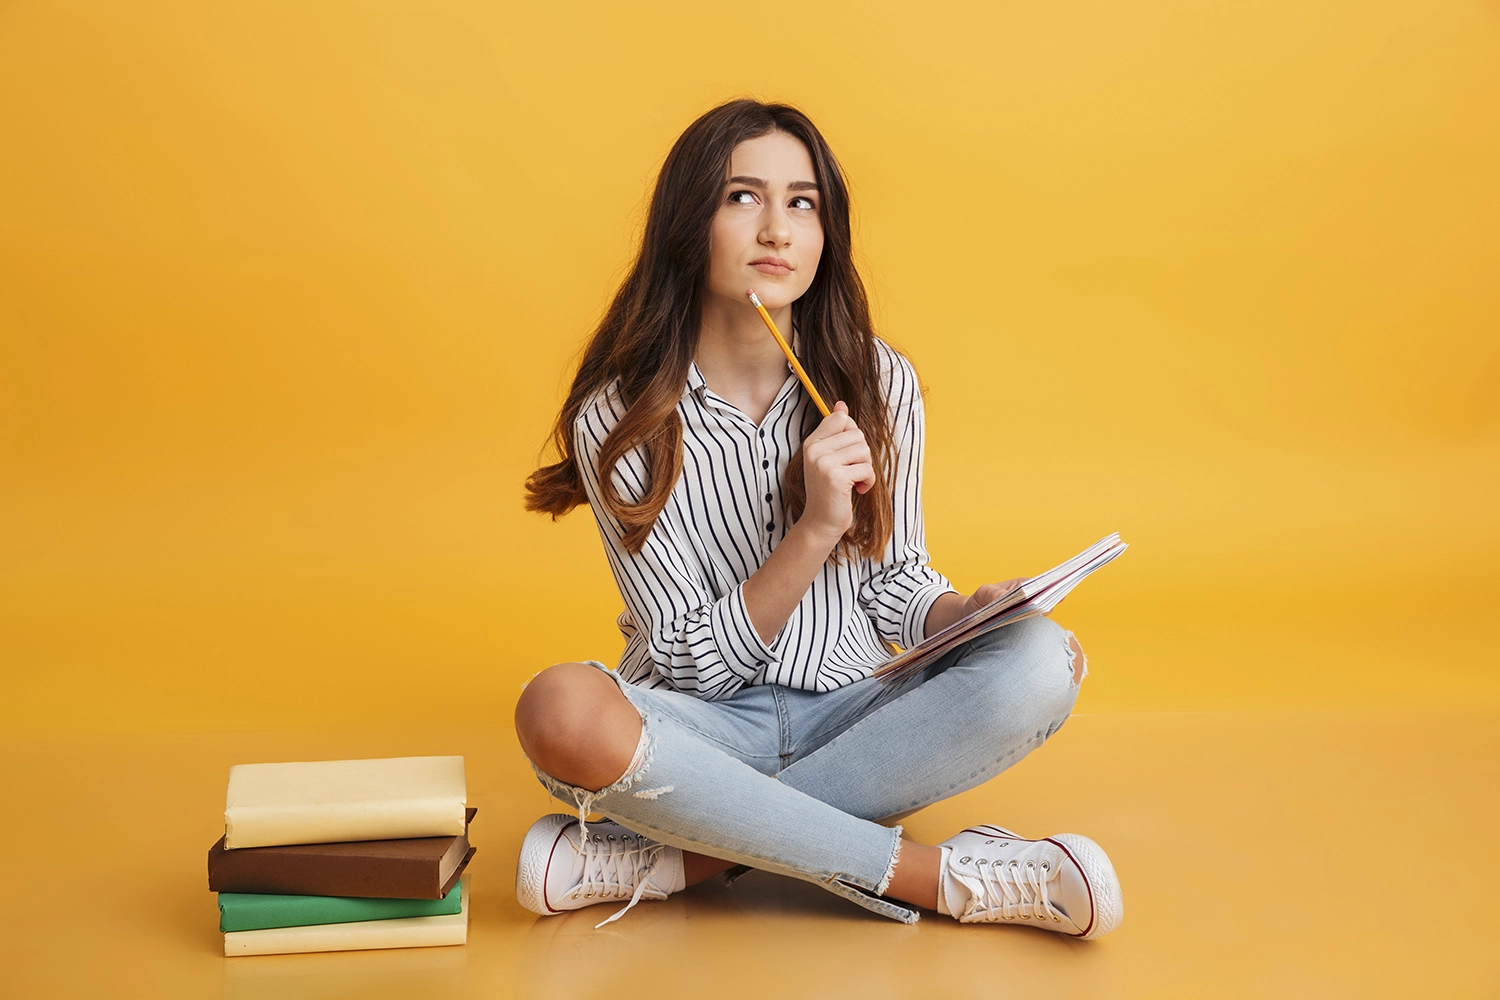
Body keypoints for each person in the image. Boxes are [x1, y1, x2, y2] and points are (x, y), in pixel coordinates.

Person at [512, 99, 1122, 936]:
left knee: (1045, 660)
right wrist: (811, 533)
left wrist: (963, 616)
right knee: (558, 709)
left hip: (858, 713)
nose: (777, 229)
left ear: (825, 233)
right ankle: (936, 878)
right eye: (743, 197)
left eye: (802, 203)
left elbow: (896, 585)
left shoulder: (879, 383)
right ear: (690, 223)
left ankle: (687, 856)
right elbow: (691, 665)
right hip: (700, 733)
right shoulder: (620, 420)